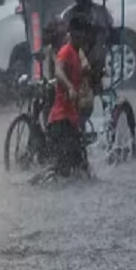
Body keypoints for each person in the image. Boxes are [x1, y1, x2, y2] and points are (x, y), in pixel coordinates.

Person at [46, 15, 91, 179]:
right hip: (60, 122)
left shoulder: (77, 53)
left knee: (79, 169)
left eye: (83, 36)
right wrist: (70, 86)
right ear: (71, 34)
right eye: (78, 35)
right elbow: (59, 71)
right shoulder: (65, 51)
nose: (81, 39)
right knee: (68, 170)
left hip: (70, 121)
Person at [68, 0, 114, 91]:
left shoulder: (99, 11)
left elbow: (105, 31)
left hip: (95, 47)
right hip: (76, 48)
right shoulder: (71, 12)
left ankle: (92, 77)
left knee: (99, 42)